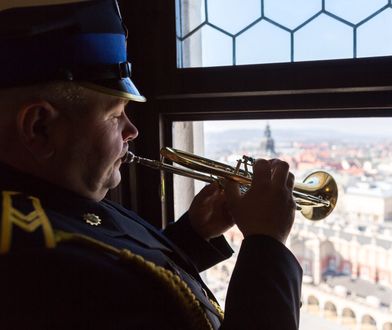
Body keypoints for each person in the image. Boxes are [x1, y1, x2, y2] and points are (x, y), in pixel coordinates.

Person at [0, 1, 302, 329]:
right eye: (115, 115)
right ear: (39, 127)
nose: (132, 131)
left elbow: (129, 277)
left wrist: (193, 234)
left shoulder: (63, 201)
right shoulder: (38, 258)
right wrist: (267, 245)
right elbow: (109, 287)